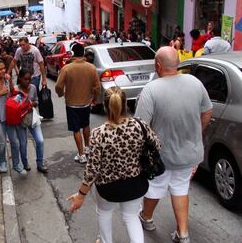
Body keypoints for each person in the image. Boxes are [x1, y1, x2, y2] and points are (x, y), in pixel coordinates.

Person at [135, 46, 213, 243]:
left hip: (162, 156)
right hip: (190, 152)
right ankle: (183, 234)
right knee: (180, 188)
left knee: (155, 188)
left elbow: (140, 126)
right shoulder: (195, 82)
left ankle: (147, 218)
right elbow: (207, 111)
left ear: (158, 65)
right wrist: (198, 132)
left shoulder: (151, 89)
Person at [68, 87, 161, 243]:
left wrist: (80, 195)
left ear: (105, 106)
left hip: (108, 187)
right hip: (135, 183)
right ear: (125, 105)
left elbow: (92, 169)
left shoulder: (99, 133)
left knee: (104, 214)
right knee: (131, 217)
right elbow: (157, 146)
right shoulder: (140, 126)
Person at [55, 43, 100, 164]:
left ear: (73, 54)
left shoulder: (67, 68)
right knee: (86, 125)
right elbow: (97, 87)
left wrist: (61, 94)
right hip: (86, 102)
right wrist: (94, 98)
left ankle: (81, 155)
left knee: (76, 129)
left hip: (71, 104)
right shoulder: (91, 67)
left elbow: (58, 86)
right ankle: (88, 148)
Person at [16, 69, 48, 173]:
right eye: (25, 79)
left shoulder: (33, 88)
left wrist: (31, 104)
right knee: (23, 143)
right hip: (20, 120)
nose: (28, 81)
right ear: (20, 78)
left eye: (29, 79)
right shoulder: (16, 90)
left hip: (32, 117)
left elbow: (36, 101)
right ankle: (25, 164)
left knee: (40, 140)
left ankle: (40, 163)